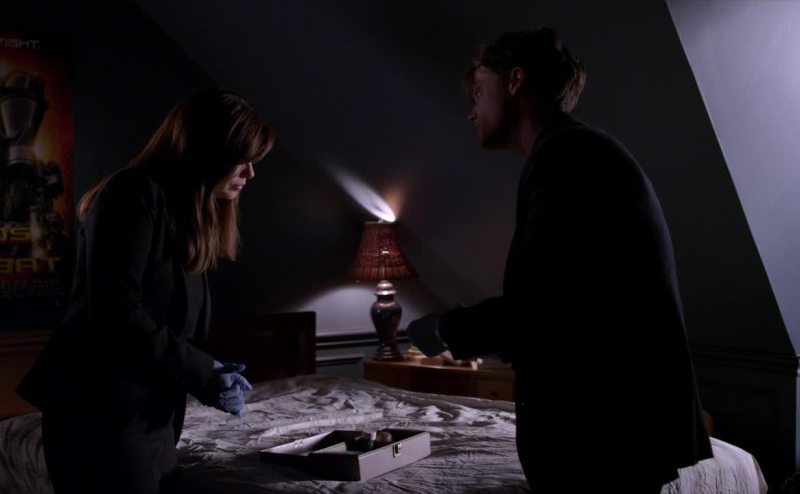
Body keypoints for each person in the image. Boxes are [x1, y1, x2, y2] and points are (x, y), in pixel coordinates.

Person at [407, 26, 712, 493]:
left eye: (479, 91)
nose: (471, 110)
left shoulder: (567, 157)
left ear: (515, 81)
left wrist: (445, 330)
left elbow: (540, 307)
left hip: (604, 438)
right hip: (612, 430)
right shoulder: (575, 151)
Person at [16, 88, 275, 494]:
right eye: (241, 160)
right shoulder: (132, 193)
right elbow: (117, 313)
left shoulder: (185, 215)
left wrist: (206, 375)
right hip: (99, 411)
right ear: (206, 153)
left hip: (147, 412)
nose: (250, 173)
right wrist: (204, 371)